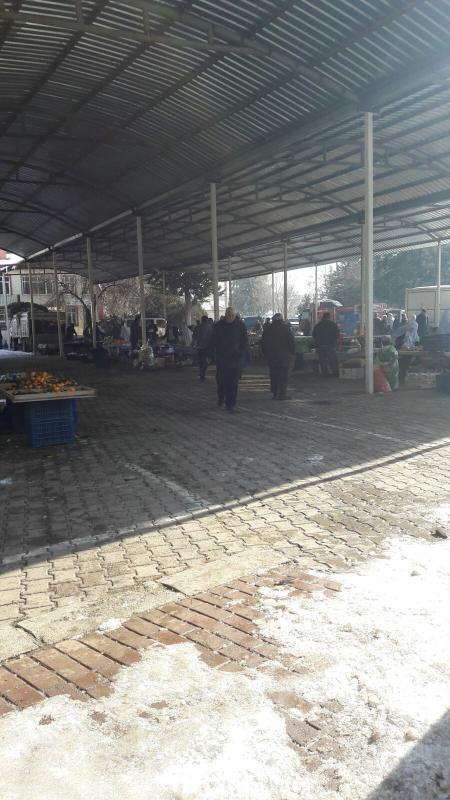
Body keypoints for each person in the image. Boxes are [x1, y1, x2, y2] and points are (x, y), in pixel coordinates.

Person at [211, 306, 248, 412]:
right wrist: (214, 354)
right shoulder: (218, 326)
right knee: (221, 380)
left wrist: (242, 354)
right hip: (222, 358)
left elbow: (244, 341)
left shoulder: (240, 326)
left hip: (235, 359)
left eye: (232, 315)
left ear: (235, 315)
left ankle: (230, 403)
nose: (230, 317)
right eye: (228, 315)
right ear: (225, 315)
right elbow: (213, 340)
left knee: (233, 382)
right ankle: (221, 396)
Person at [261, 313, 295, 400]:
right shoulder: (286, 328)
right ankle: (282, 393)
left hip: (272, 357)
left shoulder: (268, 329)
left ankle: (275, 393)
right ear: (281, 319)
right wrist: (292, 352)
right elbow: (291, 341)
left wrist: (265, 354)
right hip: (284, 356)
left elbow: (263, 343)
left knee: (274, 375)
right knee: (283, 375)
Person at [312, 311, 340, 377]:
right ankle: (335, 374)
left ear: (323, 317)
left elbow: (313, 335)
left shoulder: (318, 325)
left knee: (322, 361)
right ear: (329, 317)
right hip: (330, 345)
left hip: (320, 345)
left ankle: (325, 374)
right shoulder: (333, 324)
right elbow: (337, 335)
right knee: (332, 360)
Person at [196, 315, 213, 381]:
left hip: (199, 347)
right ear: (206, 320)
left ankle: (201, 373)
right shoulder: (209, 328)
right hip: (206, 347)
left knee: (201, 361)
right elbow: (211, 337)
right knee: (205, 361)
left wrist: (193, 344)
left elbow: (194, 336)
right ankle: (202, 373)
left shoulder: (198, 327)